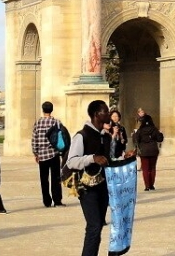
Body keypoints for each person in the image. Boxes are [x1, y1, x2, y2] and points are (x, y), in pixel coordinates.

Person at [66, 100, 113, 256]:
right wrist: (92, 158)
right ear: (96, 114)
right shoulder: (82, 136)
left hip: (103, 187)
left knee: (98, 226)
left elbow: (109, 160)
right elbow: (71, 161)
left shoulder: (106, 137)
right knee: (94, 226)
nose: (108, 114)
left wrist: (125, 157)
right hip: (87, 188)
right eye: (105, 111)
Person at [31, 101, 65, 208]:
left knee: (44, 179)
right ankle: (57, 200)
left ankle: (47, 201)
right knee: (56, 178)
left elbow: (34, 139)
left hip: (42, 154)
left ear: (43, 110)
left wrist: (35, 153)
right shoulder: (56, 122)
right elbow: (63, 137)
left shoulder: (38, 123)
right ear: (52, 109)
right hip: (54, 153)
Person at [133, 114, 162, 191]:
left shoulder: (140, 130)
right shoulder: (154, 129)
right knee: (152, 168)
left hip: (144, 151)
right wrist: (160, 133)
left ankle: (147, 186)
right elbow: (160, 139)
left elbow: (136, 139)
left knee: (145, 169)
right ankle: (152, 185)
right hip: (153, 150)